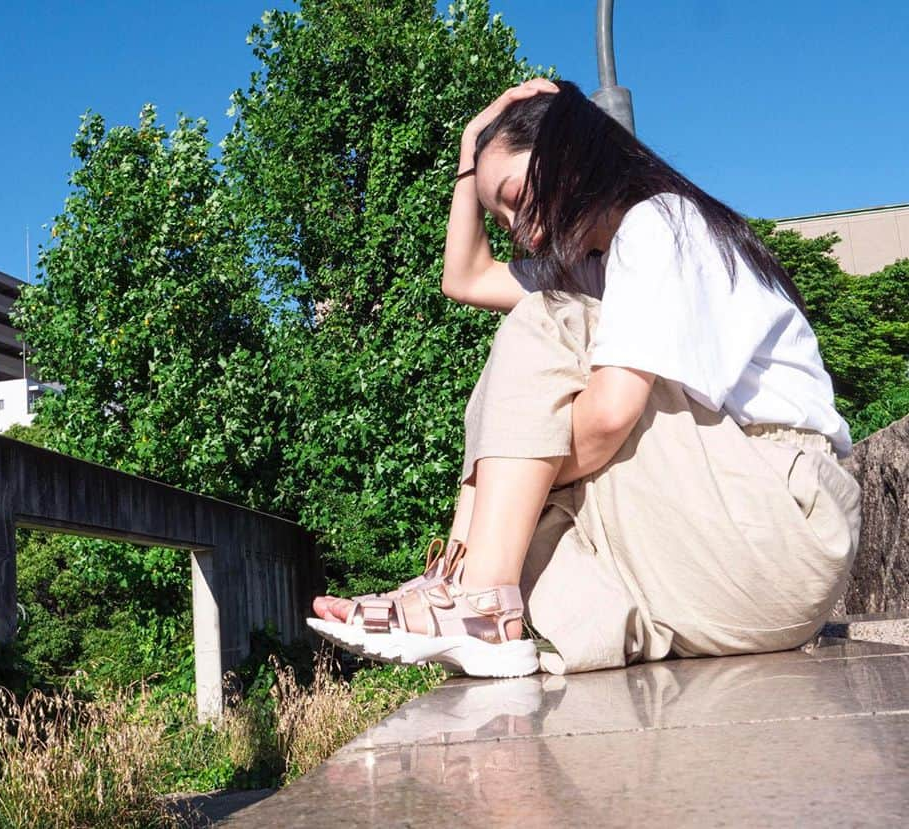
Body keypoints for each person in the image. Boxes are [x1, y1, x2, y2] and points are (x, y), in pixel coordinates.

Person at [309, 79, 862, 679]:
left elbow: (606, 420)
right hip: (744, 577)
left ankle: (473, 596)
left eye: (517, 197)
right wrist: (471, 151)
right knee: (520, 464)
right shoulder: (596, 262)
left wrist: (507, 472)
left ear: (568, 149)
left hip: (782, 522)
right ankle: (469, 591)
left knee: (543, 326)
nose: (519, 230)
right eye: (504, 217)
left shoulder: (660, 223)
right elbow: (465, 278)